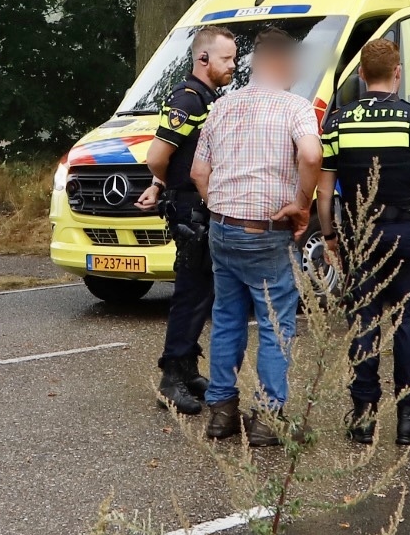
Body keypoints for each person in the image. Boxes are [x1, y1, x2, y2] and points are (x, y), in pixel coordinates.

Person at [317, 36, 410, 446]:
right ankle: (409, 416)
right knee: (409, 324)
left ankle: (364, 416)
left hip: (359, 236)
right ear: (397, 74)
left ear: (363, 75)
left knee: (363, 322)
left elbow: (325, 189)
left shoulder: (338, 122)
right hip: (408, 235)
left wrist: (330, 236)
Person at [189, 28, 321, 442]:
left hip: (222, 229)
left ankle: (221, 413)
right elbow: (312, 155)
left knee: (227, 319)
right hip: (267, 232)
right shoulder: (296, 108)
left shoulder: (221, 107)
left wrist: (219, 209)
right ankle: (267, 417)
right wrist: (302, 202)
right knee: (274, 324)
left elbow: (197, 172)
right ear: (281, 62)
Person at [134, 26, 236, 413]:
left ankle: (189, 367)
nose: (232, 65)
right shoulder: (188, 99)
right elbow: (157, 156)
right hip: (191, 210)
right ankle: (171, 377)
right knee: (190, 294)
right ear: (203, 59)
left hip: (202, 207)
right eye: (226, 59)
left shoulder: (209, 97)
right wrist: (161, 182)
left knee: (202, 294)